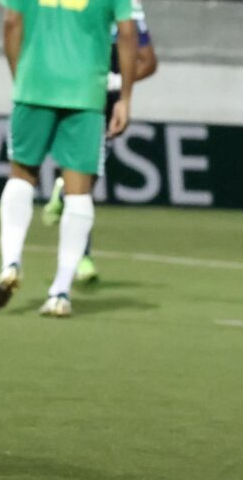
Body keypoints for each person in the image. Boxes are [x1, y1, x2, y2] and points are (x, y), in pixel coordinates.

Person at [0, 0, 140, 318]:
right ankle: (60, 292)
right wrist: (126, 97)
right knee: (78, 192)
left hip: (34, 82)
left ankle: (10, 263)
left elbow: (11, 20)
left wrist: (21, 75)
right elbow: (129, 34)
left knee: (21, 176)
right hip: (86, 91)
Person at [42, 16, 157, 282]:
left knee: (88, 178)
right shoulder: (79, 6)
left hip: (108, 105)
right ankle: (82, 257)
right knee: (83, 181)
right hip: (76, 97)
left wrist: (115, 83)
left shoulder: (131, 13)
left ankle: (63, 189)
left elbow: (149, 62)